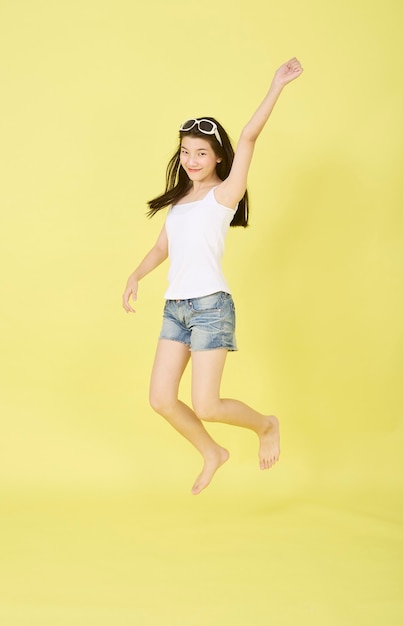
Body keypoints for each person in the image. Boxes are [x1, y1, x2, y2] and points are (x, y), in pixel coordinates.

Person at [122, 58, 303, 495]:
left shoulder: (225, 195)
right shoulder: (180, 201)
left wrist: (276, 85)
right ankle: (212, 453)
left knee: (207, 403)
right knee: (161, 399)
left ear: (218, 156)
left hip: (210, 308)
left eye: (201, 152)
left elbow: (248, 135)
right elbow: (163, 248)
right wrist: (136, 275)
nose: (191, 159)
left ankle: (266, 425)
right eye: (185, 151)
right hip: (176, 308)